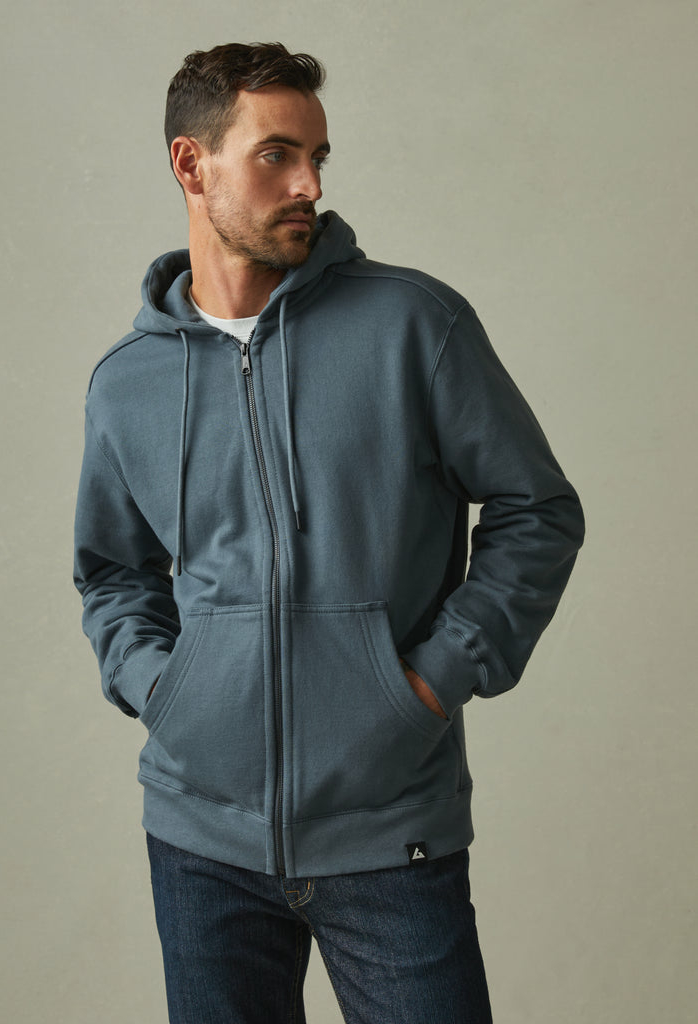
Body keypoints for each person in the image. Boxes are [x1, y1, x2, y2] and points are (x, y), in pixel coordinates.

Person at [73, 41, 584, 1024]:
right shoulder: (127, 382)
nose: (309, 183)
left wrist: (428, 683)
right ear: (191, 165)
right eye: (276, 155)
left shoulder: (413, 325)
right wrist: (167, 692)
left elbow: (537, 508)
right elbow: (112, 573)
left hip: (388, 827)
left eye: (316, 157)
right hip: (199, 841)